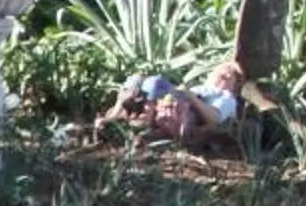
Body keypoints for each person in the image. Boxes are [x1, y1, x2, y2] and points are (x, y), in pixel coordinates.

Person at [104, 63, 248, 147]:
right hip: (177, 97)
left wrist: (191, 97)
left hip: (188, 107)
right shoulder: (200, 87)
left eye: (229, 77)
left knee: (156, 82)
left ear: (234, 86)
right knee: (136, 79)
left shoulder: (226, 97)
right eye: (220, 72)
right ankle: (116, 114)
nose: (224, 75)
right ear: (210, 75)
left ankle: (144, 122)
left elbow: (215, 117)